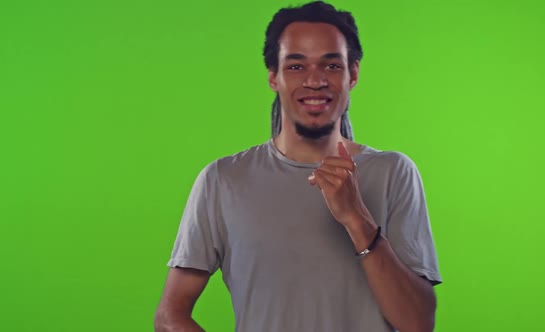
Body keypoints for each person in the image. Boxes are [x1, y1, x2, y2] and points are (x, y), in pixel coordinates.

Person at [154, 1, 442, 331]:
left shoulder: (394, 173)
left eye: (332, 66)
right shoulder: (223, 180)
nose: (315, 80)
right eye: (296, 66)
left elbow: (418, 324)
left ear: (354, 74)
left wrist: (355, 217)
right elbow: (169, 317)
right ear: (274, 77)